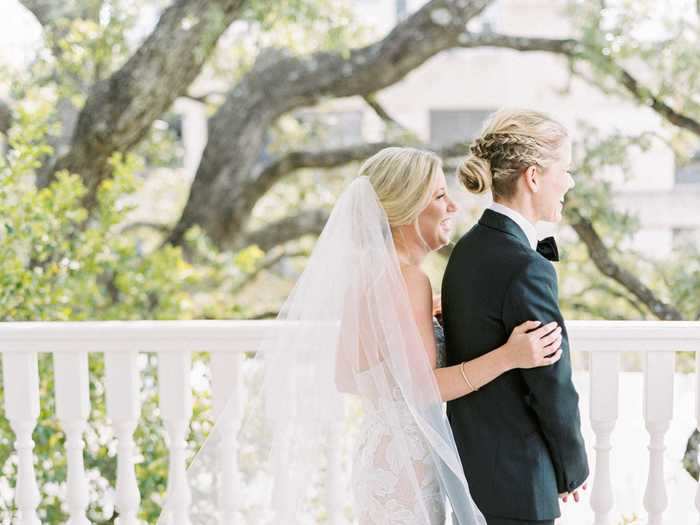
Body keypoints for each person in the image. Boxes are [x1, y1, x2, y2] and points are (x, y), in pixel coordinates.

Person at [158, 147, 563, 525]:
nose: (454, 206)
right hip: (409, 464)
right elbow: (424, 387)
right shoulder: (408, 280)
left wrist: (420, 323)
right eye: (440, 196)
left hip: (378, 456)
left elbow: (346, 376)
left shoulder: (368, 278)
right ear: (407, 208)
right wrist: (510, 356)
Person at [442, 109, 590, 525]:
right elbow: (551, 381)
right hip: (520, 477)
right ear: (533, 176)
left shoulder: (467, 250)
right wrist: (573, 466)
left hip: (474, 469)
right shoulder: (526, 265)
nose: (570, 181)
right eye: (566, 169)